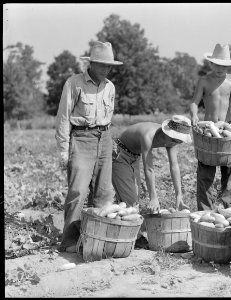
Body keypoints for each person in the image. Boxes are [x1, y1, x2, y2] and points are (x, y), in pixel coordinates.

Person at [55, 41, 123, 253]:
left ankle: (98, 239)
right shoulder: (74, 83)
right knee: (78, 191)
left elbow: (108, 118)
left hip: (104, 139)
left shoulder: (110, 87)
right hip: (82, 139)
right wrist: (63, 150)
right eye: (102, 65)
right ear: (91, 64)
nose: (106, 69)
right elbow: (64, 118)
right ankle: (69, 242)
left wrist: (109, 143)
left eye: (109, 65)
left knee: (104, 193)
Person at [189, 43, 231, 211]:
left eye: (224, 66)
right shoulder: (204, 81)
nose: (220, 68)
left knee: (229, 168)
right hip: (209, 129)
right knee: (206, 170)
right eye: (217, 65)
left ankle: (230, 208)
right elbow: (194, 101)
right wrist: (193, 115)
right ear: (211, 64)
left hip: (227, 128)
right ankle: (205, 210)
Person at [112, 115, 192, 213]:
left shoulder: (172, 141)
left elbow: (174, 166)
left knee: (133, 200)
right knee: (130, 203)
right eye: (175, 140)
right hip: (120, 152)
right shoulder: (149, 135)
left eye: (180, 141)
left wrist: (179, 196)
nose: (176, 143)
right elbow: (149, 168)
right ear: (167, 133)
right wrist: (153, 198)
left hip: (134, 156)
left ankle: (116, 205)